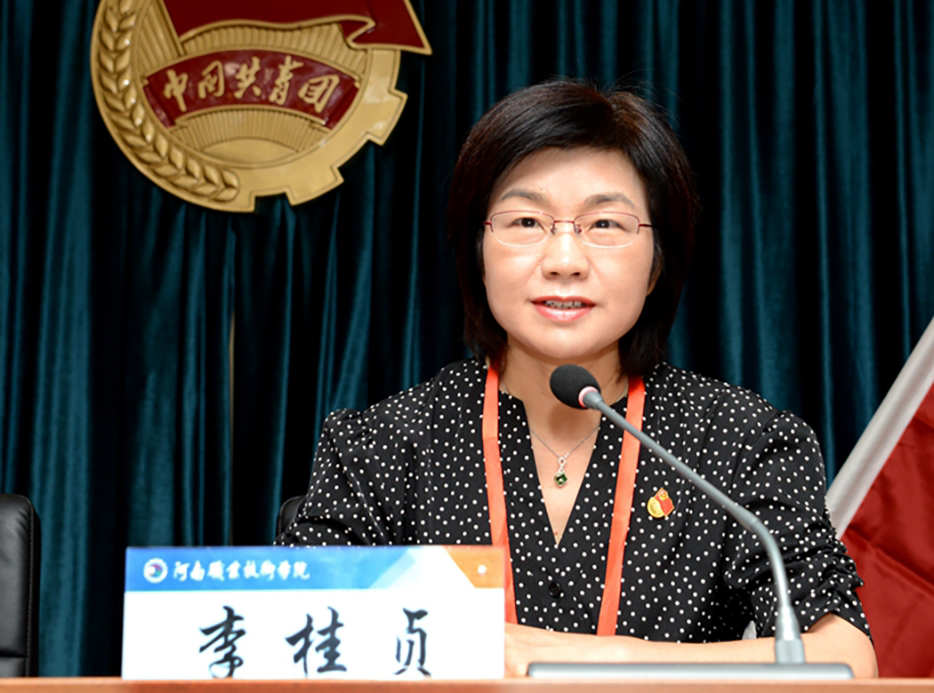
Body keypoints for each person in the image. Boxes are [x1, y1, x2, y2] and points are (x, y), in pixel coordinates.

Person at [275, 80, 877, 677]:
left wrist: (595, 661)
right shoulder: (381, 446)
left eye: (605, 225)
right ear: (478, 251)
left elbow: (844, 657)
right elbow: (285, 641)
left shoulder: (742, 442)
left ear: (656, 264)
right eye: (526, 221)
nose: (564, 260)